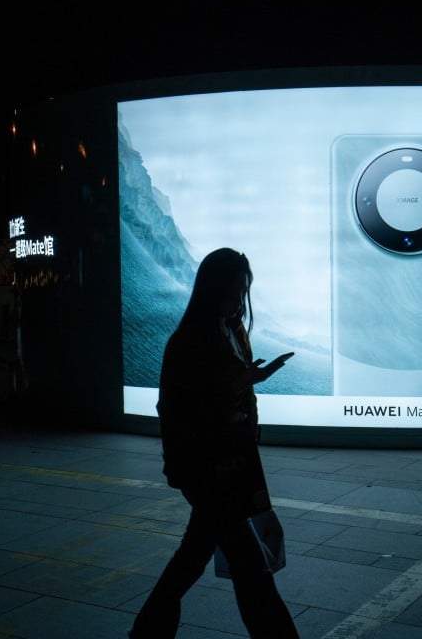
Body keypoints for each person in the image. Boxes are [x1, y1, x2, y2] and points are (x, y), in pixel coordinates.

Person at [129, 248, 298, 639]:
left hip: (229, 467)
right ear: (214, 289)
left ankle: (147, 631)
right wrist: (244, 381)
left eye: (243, 291)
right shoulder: (190, 340)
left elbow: (228, 390)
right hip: (208, 469)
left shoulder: (229, 331)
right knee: (250, 569)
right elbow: (187, 404)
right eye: (235, 290)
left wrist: (247, 386)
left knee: (195, 556)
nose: (240, 300)